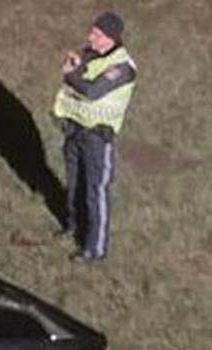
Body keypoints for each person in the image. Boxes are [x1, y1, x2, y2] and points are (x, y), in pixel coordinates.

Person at [52, 12, 138, 262]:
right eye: (92, 32)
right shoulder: (90, 52)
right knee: (74, 184)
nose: (91, 37)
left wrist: (70, 74)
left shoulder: (123, 68)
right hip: (75, 129)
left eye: (97, 34)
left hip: (98, 139)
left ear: (111, 38)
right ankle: (73, 227)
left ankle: (94, 248)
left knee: (95, 191)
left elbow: (92, 91)